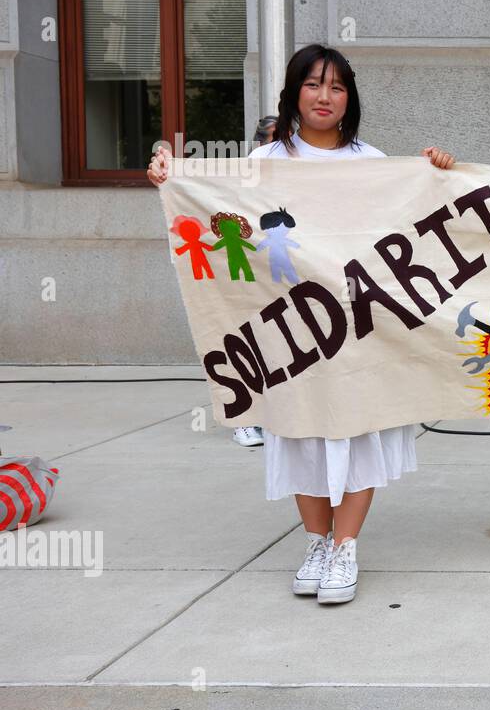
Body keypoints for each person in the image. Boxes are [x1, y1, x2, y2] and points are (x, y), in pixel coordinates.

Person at [147, 43, 456, 604]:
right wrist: (172, 174)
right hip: (288, 326)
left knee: (361, 428)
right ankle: (317, 541)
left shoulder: (373, 161)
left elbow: (417, 219)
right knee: (299, 430)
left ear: (349, 97)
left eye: (337, 87)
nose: (325, 96)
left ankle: (345, 546)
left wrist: (434, 173)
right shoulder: (266, 164)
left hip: (360, 327)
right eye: (313, 84)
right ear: (293, 92)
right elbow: (211, 200)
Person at [231, 115, 281, 449]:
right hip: (248, 269)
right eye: (275, 138)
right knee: (245, 340)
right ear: (261, 142)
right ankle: (243, 420)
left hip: (279, 271)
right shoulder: (250, 171)